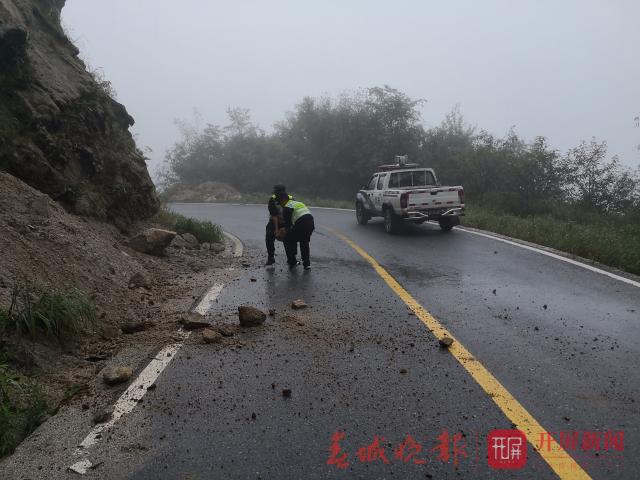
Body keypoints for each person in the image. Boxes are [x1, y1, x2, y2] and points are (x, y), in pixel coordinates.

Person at [276, 191, 315, 270]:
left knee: (287, 239)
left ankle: (292, 261)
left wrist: (280, 232)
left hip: (301, 223)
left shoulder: (287, 207)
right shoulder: (298, 203)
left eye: (280, 203)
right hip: (310, 223)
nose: (280, 205)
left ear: (283, 200)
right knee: (304, 242)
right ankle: (307, 264)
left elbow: (288, 225)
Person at [265, 184, 291, 265]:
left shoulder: (290, 199)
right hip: (274, 222)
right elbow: (274, 216)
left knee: (289, 240)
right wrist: (276, 230)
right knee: (269, 237)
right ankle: (271, 257)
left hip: (287, 222)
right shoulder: (272, 200)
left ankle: (291, 258)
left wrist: (287, 228)